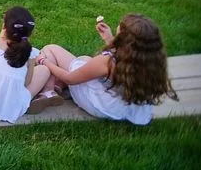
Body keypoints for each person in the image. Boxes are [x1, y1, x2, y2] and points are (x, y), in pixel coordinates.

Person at [36, 14, 177, 125]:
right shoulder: (149, 61)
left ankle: (48, 92)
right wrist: (109, 39)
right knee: (85, 60)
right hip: (127, 107)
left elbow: (70, 79)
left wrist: (45, 62)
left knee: (51, 49)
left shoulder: (107, 62)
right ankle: (57, 87)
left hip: (101, 107)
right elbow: (126, 56)